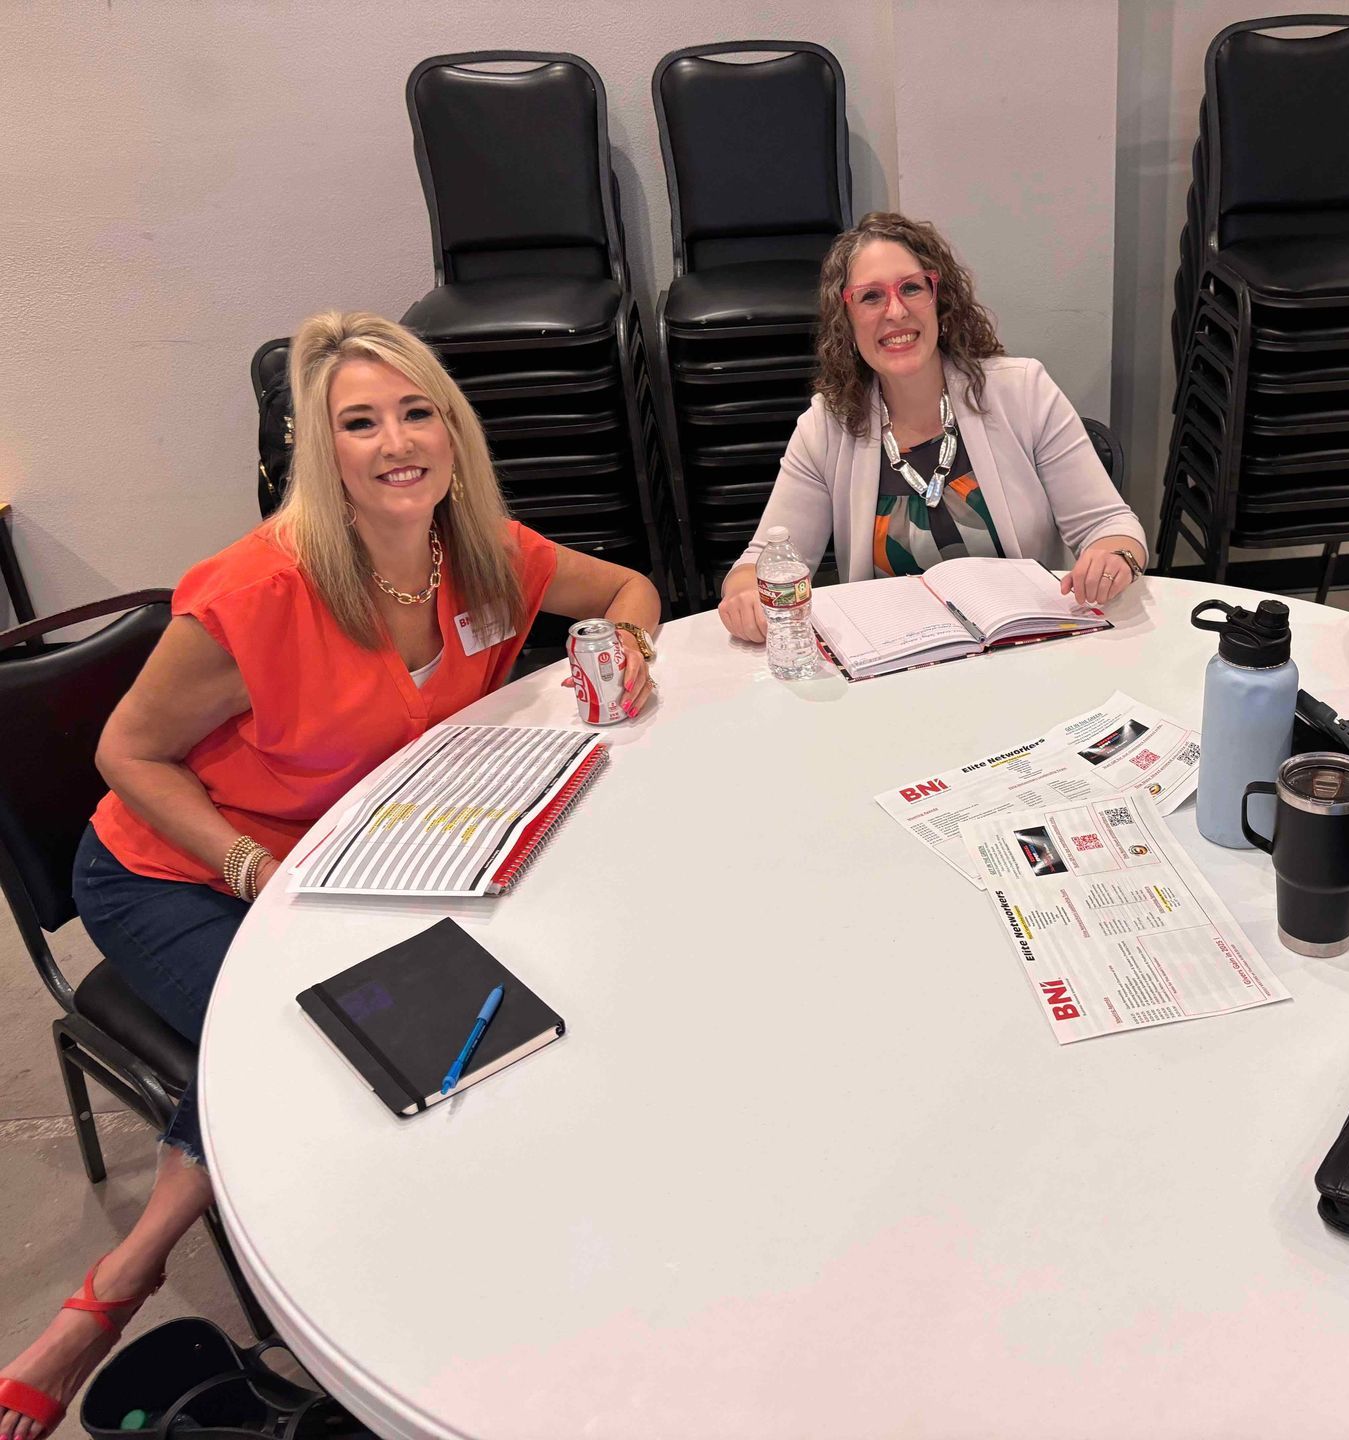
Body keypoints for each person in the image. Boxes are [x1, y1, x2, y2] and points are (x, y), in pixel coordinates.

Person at [0, 311, 661, 1440]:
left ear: (453, 435)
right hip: (174, 868)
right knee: (315, 1056)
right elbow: (126, 754)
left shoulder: (483, 553)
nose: (396, 442)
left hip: (370, 863)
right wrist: (257, 868)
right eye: (360, 423)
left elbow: (626, 594)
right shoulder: (260, 591)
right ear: (323, 450)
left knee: (514, 1006)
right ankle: (128, 1276)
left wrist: (623, 658)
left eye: (417, 414)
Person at [716, 212, 1148, 642]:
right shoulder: (825, 428)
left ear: (939, 301)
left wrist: (1114, 556)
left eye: (911, 288)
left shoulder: (1023, 391)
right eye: (870, 297)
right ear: (845, 321)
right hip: (896, 670)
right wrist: (745, 593)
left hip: (1028, 651)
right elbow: (762, 561)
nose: (896, 311)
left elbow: (1111, 526)